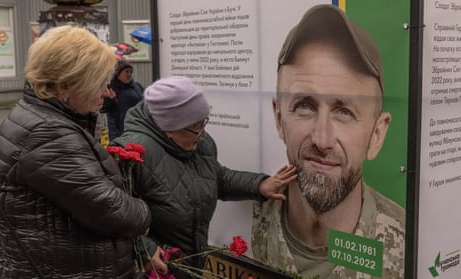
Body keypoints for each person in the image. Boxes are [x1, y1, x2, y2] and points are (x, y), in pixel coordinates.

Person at [251, 4, 405, 279]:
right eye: (305, 106)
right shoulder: (245, 222)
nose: (322, 140)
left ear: (377, 135)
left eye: (344, 112)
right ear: (278, 118)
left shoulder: (412, 252)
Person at [0, 25, 151, 278]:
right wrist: (144, 214)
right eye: (99, 82)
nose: (106, 91)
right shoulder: (48, 133)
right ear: (64, 86)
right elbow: (114, 212)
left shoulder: (38, 116)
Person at [113, 76, 297, 278]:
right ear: (169, 127)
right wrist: (145, 249)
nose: (203, 134)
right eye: (196, 127)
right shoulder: (132, 154)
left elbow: (217, 178)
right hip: (157, 270)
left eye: (204, 123)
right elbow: (112, 214)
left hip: (190, 266)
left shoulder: (200, 144)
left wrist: (260, 185)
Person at [102, 60, 144, 141]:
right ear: (118, 73)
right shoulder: (111, 89)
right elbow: (103, 109)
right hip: (118, 131)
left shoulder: (137, 87)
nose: (129, 74)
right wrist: (110, 99)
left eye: (131, 72)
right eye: (126, 71)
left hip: (137, 127)